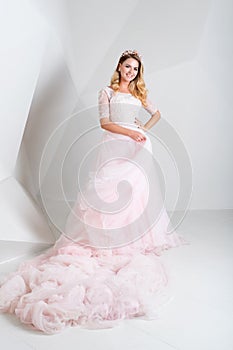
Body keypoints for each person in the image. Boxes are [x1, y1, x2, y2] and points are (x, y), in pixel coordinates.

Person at [0, 50, 189, 334]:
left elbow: (157, 114)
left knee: (136, 193)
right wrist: (131, 132)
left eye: (135, 69)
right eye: (127, 67)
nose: (131, 72)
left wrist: (143, 129)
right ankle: (102, 237)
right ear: (119, 67)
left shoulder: (138, 93)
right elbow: (105, 124)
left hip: (137, 146)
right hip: (115, 143)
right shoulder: (107, 92)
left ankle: (129, 236)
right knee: (107, 191)